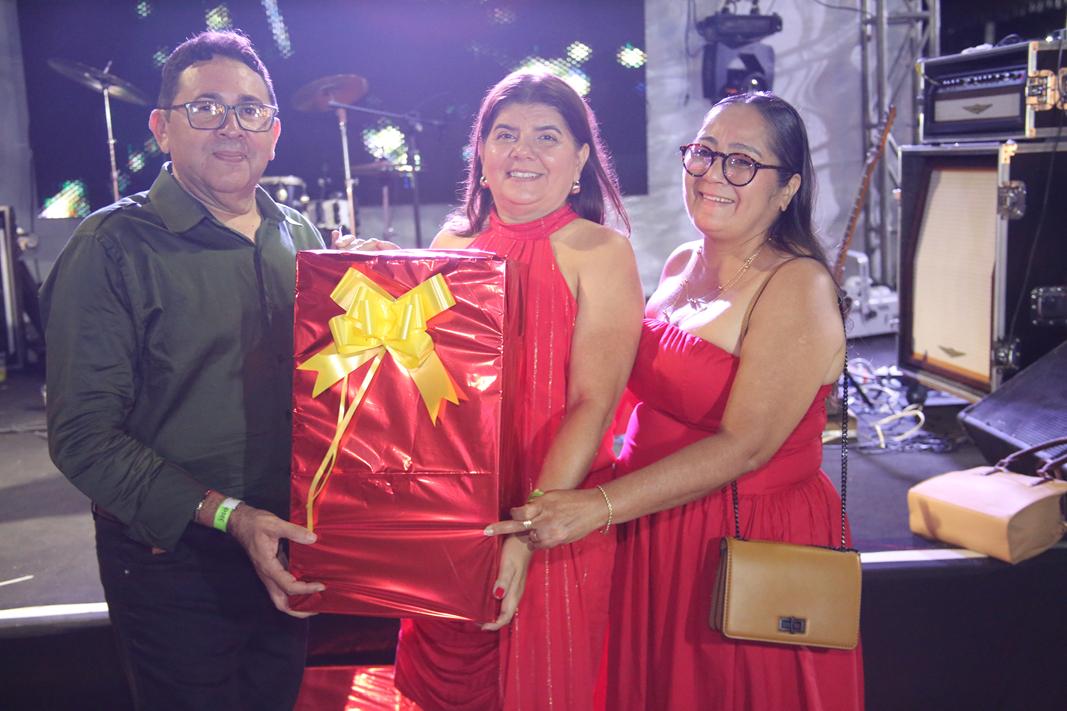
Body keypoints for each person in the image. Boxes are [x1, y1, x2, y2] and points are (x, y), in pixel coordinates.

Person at [491, 92, 865, 709]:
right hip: (651, 520)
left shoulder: (797, 284)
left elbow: (745, 447)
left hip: (740, 536)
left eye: (742, 162)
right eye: (704, 153)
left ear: (787, 188)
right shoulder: (681, 262)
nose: (714, 174)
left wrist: (597, 507)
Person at [40, 30, 326, 710]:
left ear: (274, 133)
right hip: (174, 559)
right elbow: (82, 435)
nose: (231, 126)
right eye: (205, 108)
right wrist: (231, 516)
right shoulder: (109, 247)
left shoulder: (301, 238)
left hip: (289, 546)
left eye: (250, 110)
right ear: (161, 128)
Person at [378, 71, 644, 710]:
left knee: (544, 684)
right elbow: (427, 390)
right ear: (482, 152)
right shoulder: (450, 244)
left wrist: (527, 530)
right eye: (505, 135)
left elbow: (593, 403)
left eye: (547, 136)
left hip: (552, 513)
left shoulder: (602, 252)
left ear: (580, 158)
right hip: (458, 518)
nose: (523, 151)